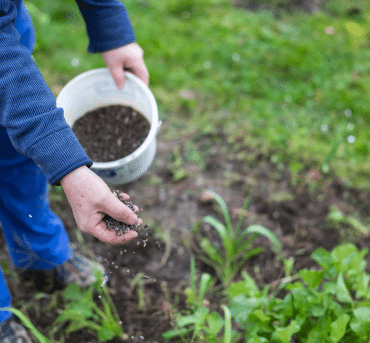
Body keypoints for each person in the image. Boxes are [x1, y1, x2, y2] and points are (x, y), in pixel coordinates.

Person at [0, 0, 149, 341]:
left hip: (6, 29)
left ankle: (41, 258)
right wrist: (70, 169)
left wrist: (110, 25)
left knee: (19, 157)